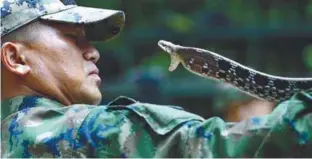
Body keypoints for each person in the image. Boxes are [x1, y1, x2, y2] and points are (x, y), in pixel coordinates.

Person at [1, 0, 312, 158]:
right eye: (73, 38)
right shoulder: (87, 132)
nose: (93, 53)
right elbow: (227, 148)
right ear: (16, 59)